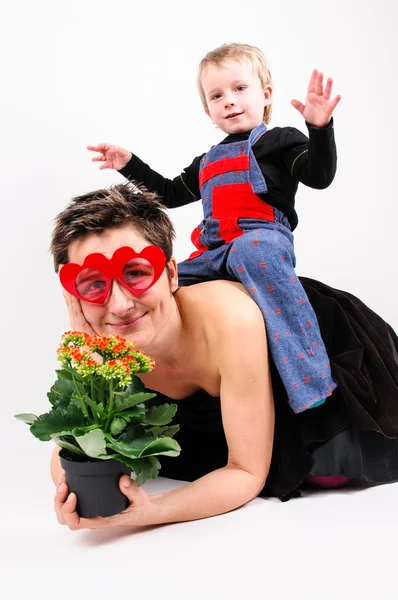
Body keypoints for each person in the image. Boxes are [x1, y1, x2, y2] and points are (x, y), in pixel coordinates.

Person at [50, 183, 398, 531]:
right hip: (228, 393)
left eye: (137, 273)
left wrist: (150, 512)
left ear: (172, 274)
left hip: (310, 353)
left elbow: (246, 472)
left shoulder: (231, 320)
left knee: (328, 471)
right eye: (93, 285)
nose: (121, 305)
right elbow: (65, 454)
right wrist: (87, 361)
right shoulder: (101, 338)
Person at [87, 43, 342, 415]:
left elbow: (319, 176)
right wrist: (129, 165)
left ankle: (310, 383)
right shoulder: (206, 161)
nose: (229, 101)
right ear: (208, 111)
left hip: (261, 238)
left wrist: (319, 129)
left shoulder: (281, 141)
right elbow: (170, 194)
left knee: (251, 251)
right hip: (214, 251)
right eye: (217, 95)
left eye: (240, 89)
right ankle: (147, 379)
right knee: (161, 278)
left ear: (265, 94)